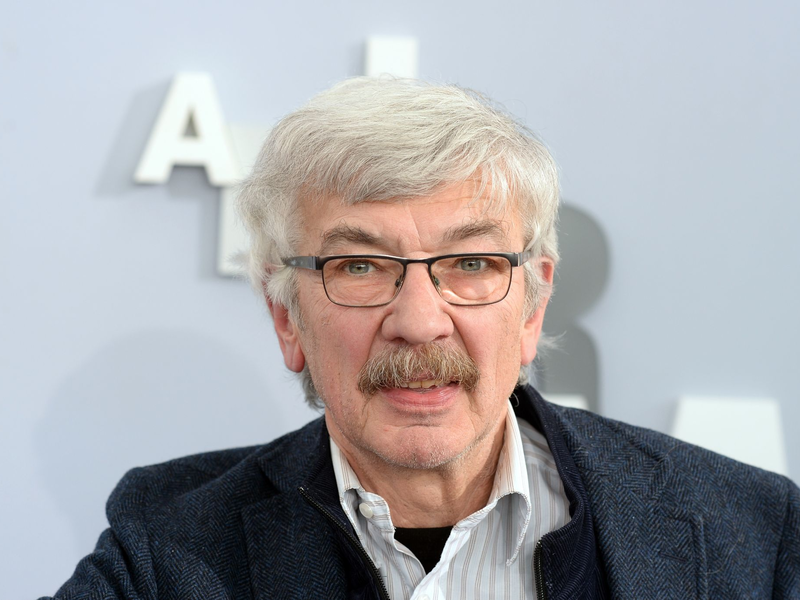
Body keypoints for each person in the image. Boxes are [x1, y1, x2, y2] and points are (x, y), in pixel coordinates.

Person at [44, 78, 798, 600]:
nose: (418, 320)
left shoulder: (753, 533)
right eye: (360, 265)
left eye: (470, 263)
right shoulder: (166, 551)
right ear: (286, 318)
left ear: (532, 306)